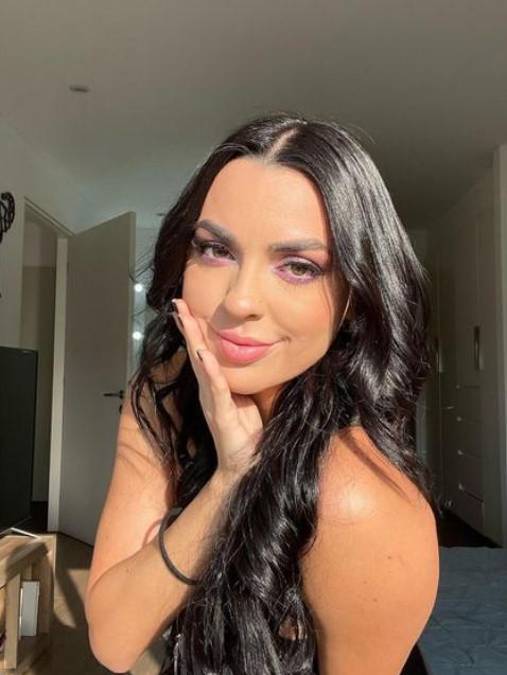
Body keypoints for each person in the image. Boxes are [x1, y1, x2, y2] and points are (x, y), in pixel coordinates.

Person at [84, 112, 440, 674]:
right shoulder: (164, 391)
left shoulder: (357, 500)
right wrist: (229, 481)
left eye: (298, 266)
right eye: (215, 250)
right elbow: (112, 638)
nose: (240, 300)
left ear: (354, 295)